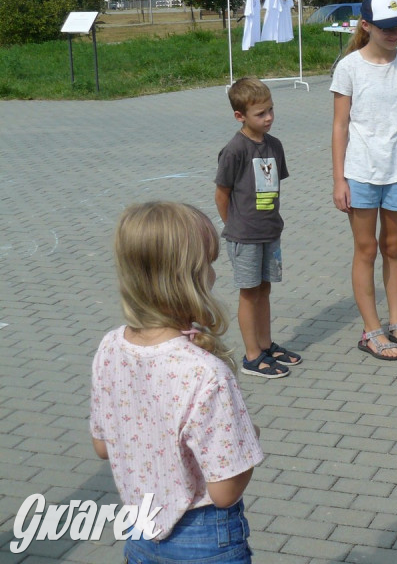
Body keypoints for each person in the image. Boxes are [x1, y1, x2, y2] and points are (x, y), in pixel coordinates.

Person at [90, 201, 263, 562]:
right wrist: (246, 443)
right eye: (209, 265)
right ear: (189, 278)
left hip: (140, 528)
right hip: (204, 537)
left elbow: (103, 446)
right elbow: (225, 491)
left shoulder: (110, 347)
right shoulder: (204, 372)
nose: (215, 275)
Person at [331, 0, 397, 361]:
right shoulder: (349, 68)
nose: (394, 34)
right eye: (386, 27)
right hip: (360, 172)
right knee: (366, 249)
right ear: (366, 25)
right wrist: (338, 179)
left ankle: (396, 322)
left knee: (393, 247)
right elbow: (340, 126)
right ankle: (371, 330)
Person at [215, 76, 300, 379]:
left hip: (269, 232)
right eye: (260, 113)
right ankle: (252, 356)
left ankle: (265, 345)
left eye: (270, 110)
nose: (268, 118)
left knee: (264, 289)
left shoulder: (274, 146)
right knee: (249, 293)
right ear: (240, 116)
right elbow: (222, 194)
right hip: (245, 236)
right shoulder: (235, 150)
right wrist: (235, 226)